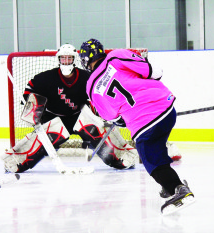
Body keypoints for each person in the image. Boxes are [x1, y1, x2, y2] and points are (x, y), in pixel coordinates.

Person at [79, 38, 195, 215]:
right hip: (166, 108)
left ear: (85, 60)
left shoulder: (91, 86)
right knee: (158, 146)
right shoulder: (116, 56)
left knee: (151, 161)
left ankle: (178, 189)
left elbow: (109, 116)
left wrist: (121, 119)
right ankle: (168, 184)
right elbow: (152, 71)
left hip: (144, 122)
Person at [1, 43, 138, 173]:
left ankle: (122, 158)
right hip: (55, 118)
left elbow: (98, 95)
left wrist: (99, 112)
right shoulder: (47, 77)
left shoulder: (86, 77)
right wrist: (32, 105)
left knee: (96, 129)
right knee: (45, 138)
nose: (66, 61)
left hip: (79, 116)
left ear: (74, 60)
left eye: (69, 58)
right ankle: (16, 161)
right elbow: (30, 88)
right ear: (58, 59)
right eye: (63, 58)